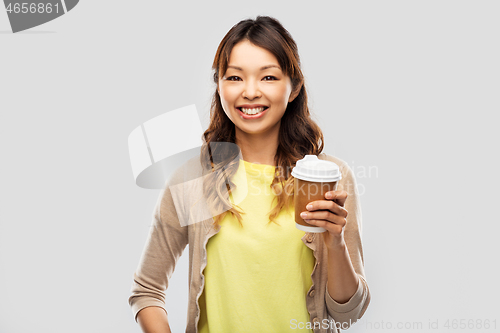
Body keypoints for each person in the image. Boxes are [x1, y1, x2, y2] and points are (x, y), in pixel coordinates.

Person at [128, 16, 370, 333]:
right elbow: (147, 291)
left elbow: (348, 313)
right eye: (235, 78)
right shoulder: (193, 179)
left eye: (268, 78)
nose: (251, 92)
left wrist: (335, 241)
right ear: (219, 85)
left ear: (294, 87)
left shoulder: (329, 176)